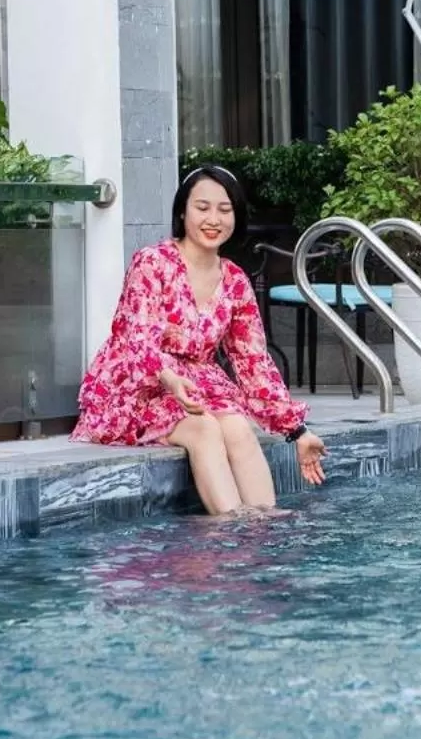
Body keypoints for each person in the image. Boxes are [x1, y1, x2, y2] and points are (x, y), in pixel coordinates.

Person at [74, 165, 327, 514]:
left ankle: (266, 532)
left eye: (225, 210)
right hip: (137, 385)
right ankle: (230, 527)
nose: (214, 219)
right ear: (183, 211)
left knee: (237, 427)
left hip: (197, 387)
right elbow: (137, 338)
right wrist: (168, 377)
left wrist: (298, 433)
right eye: (202, 207)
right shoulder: (152, 263)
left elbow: (254, 362)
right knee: (205, 429)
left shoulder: (235, 280)